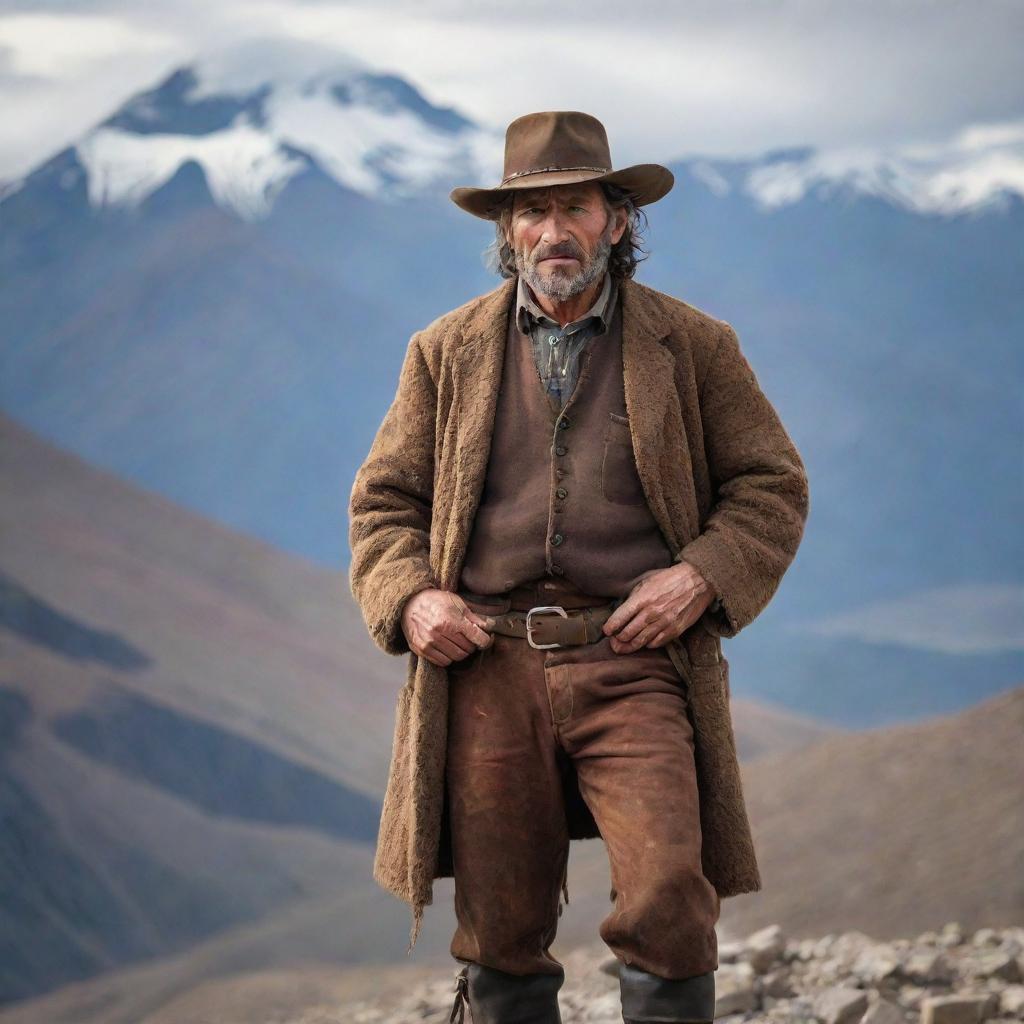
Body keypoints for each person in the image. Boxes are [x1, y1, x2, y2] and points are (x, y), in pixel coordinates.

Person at [348, 110, 810, 1024]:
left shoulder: (694, 346)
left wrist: (702, 575)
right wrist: (412, 599)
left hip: (634, 659)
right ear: (506, 231)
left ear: (619, 221)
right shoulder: (446, 352)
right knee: (500, 925)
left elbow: (770, 484)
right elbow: (383, 504)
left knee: (671, 897)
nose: (552, 230)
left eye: (576, 207)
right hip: (485, 664)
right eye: (532, 211)